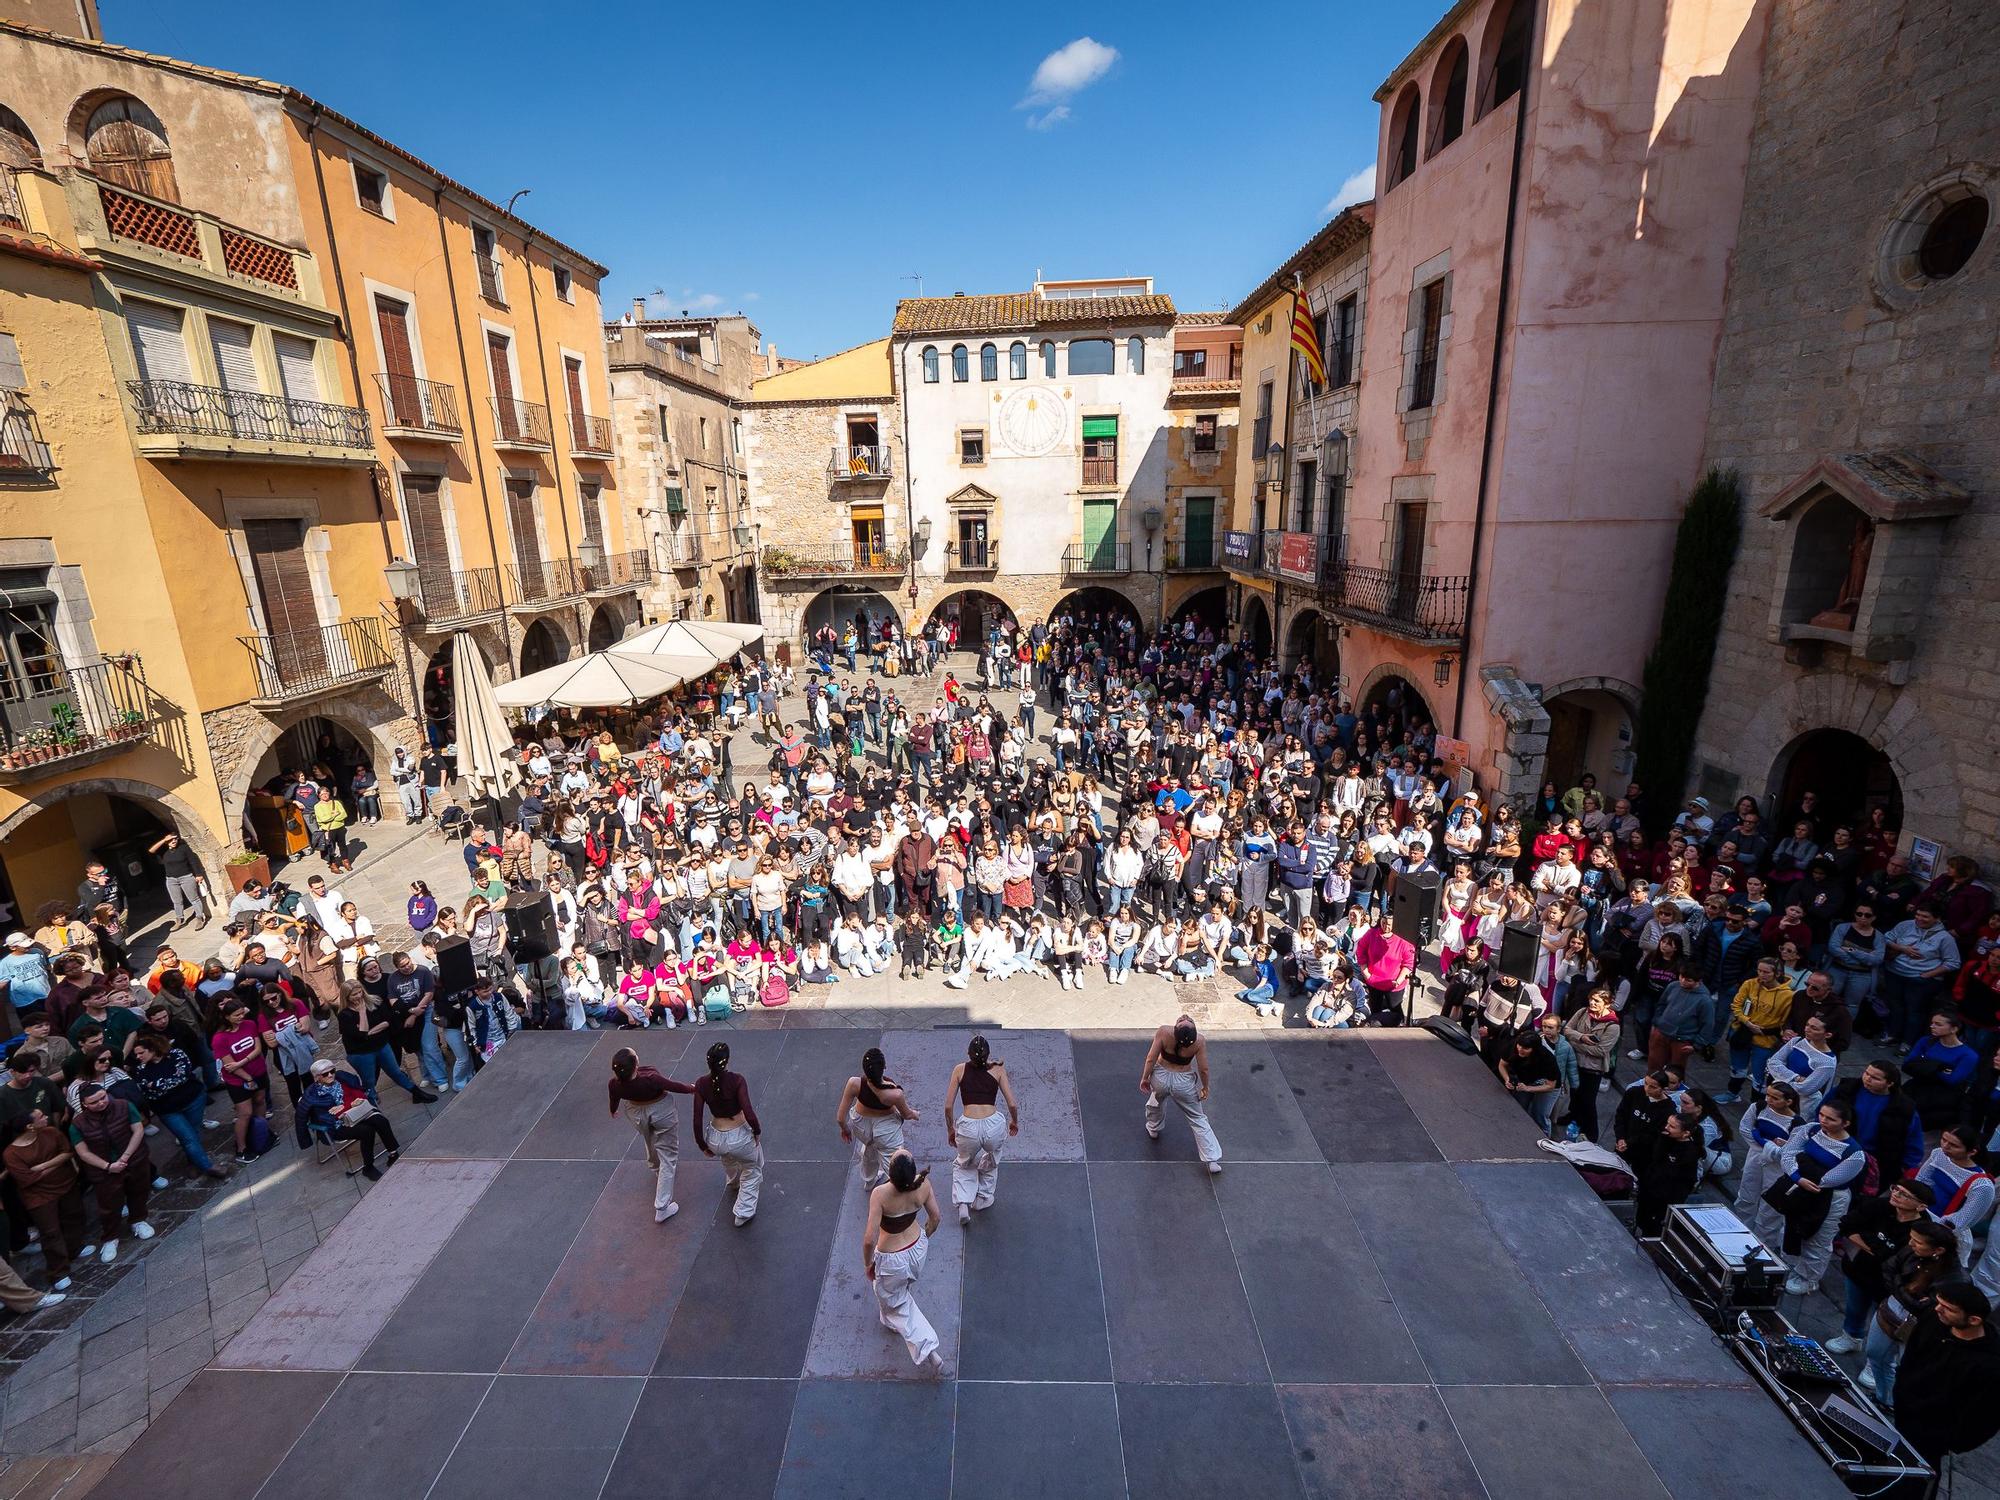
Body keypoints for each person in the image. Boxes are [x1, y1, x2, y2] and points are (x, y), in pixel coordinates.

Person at [1761, 1098, 1867, 1296]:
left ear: (1845, 1123)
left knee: (1818, 1237)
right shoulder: (1811, 1129)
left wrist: (1801, 1168)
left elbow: (1829, 1179)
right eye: (1822, 1115)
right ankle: (1790, 1263)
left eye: (1831, 1119)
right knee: (1791, 1225)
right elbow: (1788, 1153)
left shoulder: (1854, 1153)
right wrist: (1796, 1176)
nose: (1824, 1121)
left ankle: (1809, 1278)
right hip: (1800, 1186)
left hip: (1830, 1197)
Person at [1892, 1281, 2000, 1469]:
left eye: (1948, 1308)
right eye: (1939, 1303)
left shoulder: (1990, 1365)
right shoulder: (1933, 1319)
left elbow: (1987, 1417)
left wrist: (1951, 1441)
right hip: (1904, 1412)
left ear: (1973, 1320)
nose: (1938, 1309)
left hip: (1932, 1435)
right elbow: (1911, 1355)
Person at [1826, 1178, 1937, 1355]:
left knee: (1887, 1319)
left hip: (1890, 1284)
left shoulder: (1923, 1229)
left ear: (1921, 1206)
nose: (1896, 1195)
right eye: (1895, 1189)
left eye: (1904, 1194)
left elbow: (1899, 1257)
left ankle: (1877, 1359)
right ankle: (1851, 1337)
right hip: (1858, 1269)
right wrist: (1876, 1248)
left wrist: (1869, 1240)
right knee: (1855, 1307)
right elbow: (1847, 1226)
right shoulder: (1879, 1206)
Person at [863, 1149, 946, 1375]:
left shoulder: (880, 1195)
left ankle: (929, 1349)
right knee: (892, 1290)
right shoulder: (924, 1185)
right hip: (917, 1248)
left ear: (891, 1173)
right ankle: (888, 1318)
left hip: (892, 1257)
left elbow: (869, 1239)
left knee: (898, 1302)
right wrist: (923, 1240)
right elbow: (935, 1218)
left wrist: (868, 1264)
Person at [67, 1082, 155, 1263]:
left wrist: (125, 1157)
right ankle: (110, 1237)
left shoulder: (123, 1106)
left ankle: (138, 1220)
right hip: (103, 1169)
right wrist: (108, 1166)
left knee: (139, 1191)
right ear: (84, 1104)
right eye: (94, 1102)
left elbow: (137, 1129)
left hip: (133, 1159)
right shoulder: (78, 1124)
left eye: (102, 1098)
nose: (100, 1103)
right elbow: (83, 1152)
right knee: (109, 1205)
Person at [3, 1109, 91, 1289]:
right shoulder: (11, 1154)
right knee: (50, 1231)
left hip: (65, 1184)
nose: (46, 1118)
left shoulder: (51, 1132)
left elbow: (67, 1152)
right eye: (41, 1117)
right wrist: (57, 1163)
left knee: (74, 1215)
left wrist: (43, 1166)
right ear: (30, 1126)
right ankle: (58, 1271)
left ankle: (75, 1248)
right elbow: (26, 1179)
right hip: (39, 1196)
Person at [608, 1046, 695, 1223]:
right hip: (661, 1111)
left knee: (650, 1138)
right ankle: (662, 1206)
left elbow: (613, 1098)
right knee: (669, 1155)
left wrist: (613, 1110)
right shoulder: (651, 1078)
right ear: (635, 1064)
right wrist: (692, 1088)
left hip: (636, 1113)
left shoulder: (615, 1083)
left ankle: (655, 1166)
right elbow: (673, 1086)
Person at [944, 1034, 1018, 1226]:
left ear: (968, 1054)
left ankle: (963, 1202)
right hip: (993, 1124)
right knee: (993, 1155)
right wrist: (1014, 1122)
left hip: (968, 1125)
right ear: (988, 1054)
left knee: (964, 1163)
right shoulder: (998, 1070)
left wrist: (951, 1129)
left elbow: (948, 1107)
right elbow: (1012, 1103)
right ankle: (983, 1198)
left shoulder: (959, 1070)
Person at [693, 1041, 763, 1226]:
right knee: (752, 1167)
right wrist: (756, 1131)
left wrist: (703, 1145)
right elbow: (748, 1111)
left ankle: (733, 1182)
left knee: (728, 1158)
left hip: (715, 1137)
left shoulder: (701, 1084)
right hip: (738, 1135)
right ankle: (743, 1212)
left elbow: (697, 1119)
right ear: (727, 1061)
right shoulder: (737, 1080)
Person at [336, 982, 439, 1106]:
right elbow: (360, 1034)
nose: (359, 996)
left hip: (381, 1045)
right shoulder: (344, 1015)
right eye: (354, 995)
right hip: (361, 1053)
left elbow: (387, 1021)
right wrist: (362, 1012)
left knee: (395, 1071)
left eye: (360, 992)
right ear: (346, 997)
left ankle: (417, 1093)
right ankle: (372, 1106)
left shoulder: (375, 1001)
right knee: (369, 1081)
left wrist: (369, 1032)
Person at [1140, 1015, 1221, 1173]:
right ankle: (1211, 1159)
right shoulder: (1199, 1041)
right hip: (1183, 1083)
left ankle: (1153, 1128)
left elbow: (1151, 1058)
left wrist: (1145, 1078)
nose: (1185, 1017)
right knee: (1197, 1117)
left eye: (1187, 1021)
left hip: (1160, 1078)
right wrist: (1205, 1087)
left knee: (1156, 1101)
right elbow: (1203, 1068)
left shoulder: (1164, 1032)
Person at [299, 1059, 401, 1179]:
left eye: (332, 1071)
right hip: (337, 1125)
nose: (330, 1075)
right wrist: (346, 1107)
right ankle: (368, 1168)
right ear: (316, 1077)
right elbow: (324, 1116)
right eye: (325, 1074)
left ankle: (393, 1153)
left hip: (357, 1113)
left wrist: (352, 1103)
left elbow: (358, 1093)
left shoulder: (342, 1079)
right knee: (366, 1131)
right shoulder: (313, 1095)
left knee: (380, 1120)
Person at [836, 1047, 919, 1188]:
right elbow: (906, 1114)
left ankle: (869, 1180)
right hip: (886, 1131)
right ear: (884, 1067)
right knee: (893, 1160)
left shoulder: (854, 1083)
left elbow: (840, 1118)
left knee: (870, 1149)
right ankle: (899, 1189)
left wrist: (845, 1129)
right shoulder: (894, 1093)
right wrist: (915, 1114)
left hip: (861, 1126)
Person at [1635, 1110, 1702, 1236]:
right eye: (1667, 1124)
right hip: (1649, 1191)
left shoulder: (1690, 1152)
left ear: (1686, 1133)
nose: (1666, 1127)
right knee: (1642, 1220)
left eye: (1672, 1126)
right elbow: (1655, 1158)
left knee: (1653, 1229)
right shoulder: (1665, 1138)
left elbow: (1686, 1181)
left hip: (1664, 1199)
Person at [1497, 1032, 1561, 1134]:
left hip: (1546, 1083)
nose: (1520, 1049)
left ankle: (1545, 1138)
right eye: (1519, 1045)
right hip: (1526, 1080)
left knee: (1540, 1114)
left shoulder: (1546, 1058)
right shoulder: (1513, 1046)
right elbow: (1502, 1065)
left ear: (1534, 1049)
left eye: (1526, 1048)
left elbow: (1550, 1086)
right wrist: (1507, 1079)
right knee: (1519, 1106)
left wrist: (1527, 1089)